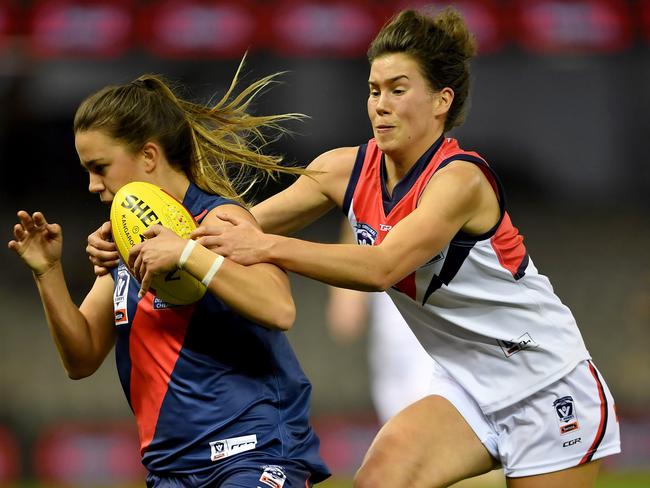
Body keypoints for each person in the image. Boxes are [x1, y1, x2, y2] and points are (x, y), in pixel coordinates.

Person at [86, 7, 621, 487]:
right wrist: (143, 233)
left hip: (547, 385)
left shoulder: (459, 181)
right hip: (468, 384)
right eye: (373, 89)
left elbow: (380, 266)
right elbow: (225, 227)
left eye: (398, 89)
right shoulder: (344, 168)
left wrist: (264, 246)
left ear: (442, 101)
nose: (380, 106)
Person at [8, 68, 330, 487]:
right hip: (172, 470)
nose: (91, 185)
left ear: (148, 156)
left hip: (251, 454)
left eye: (100, 166)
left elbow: (279, 308)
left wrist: (188, 253)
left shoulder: (220, 220)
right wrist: (48, 273)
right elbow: (82, 357)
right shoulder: (125, 241)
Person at [326, 219, 435, 424]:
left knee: (426, 430)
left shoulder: (433, 199)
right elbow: (345, 320)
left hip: (432, 347)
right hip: (389, 352)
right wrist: (346, 296)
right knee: (398, 430)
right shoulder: (369, 205)